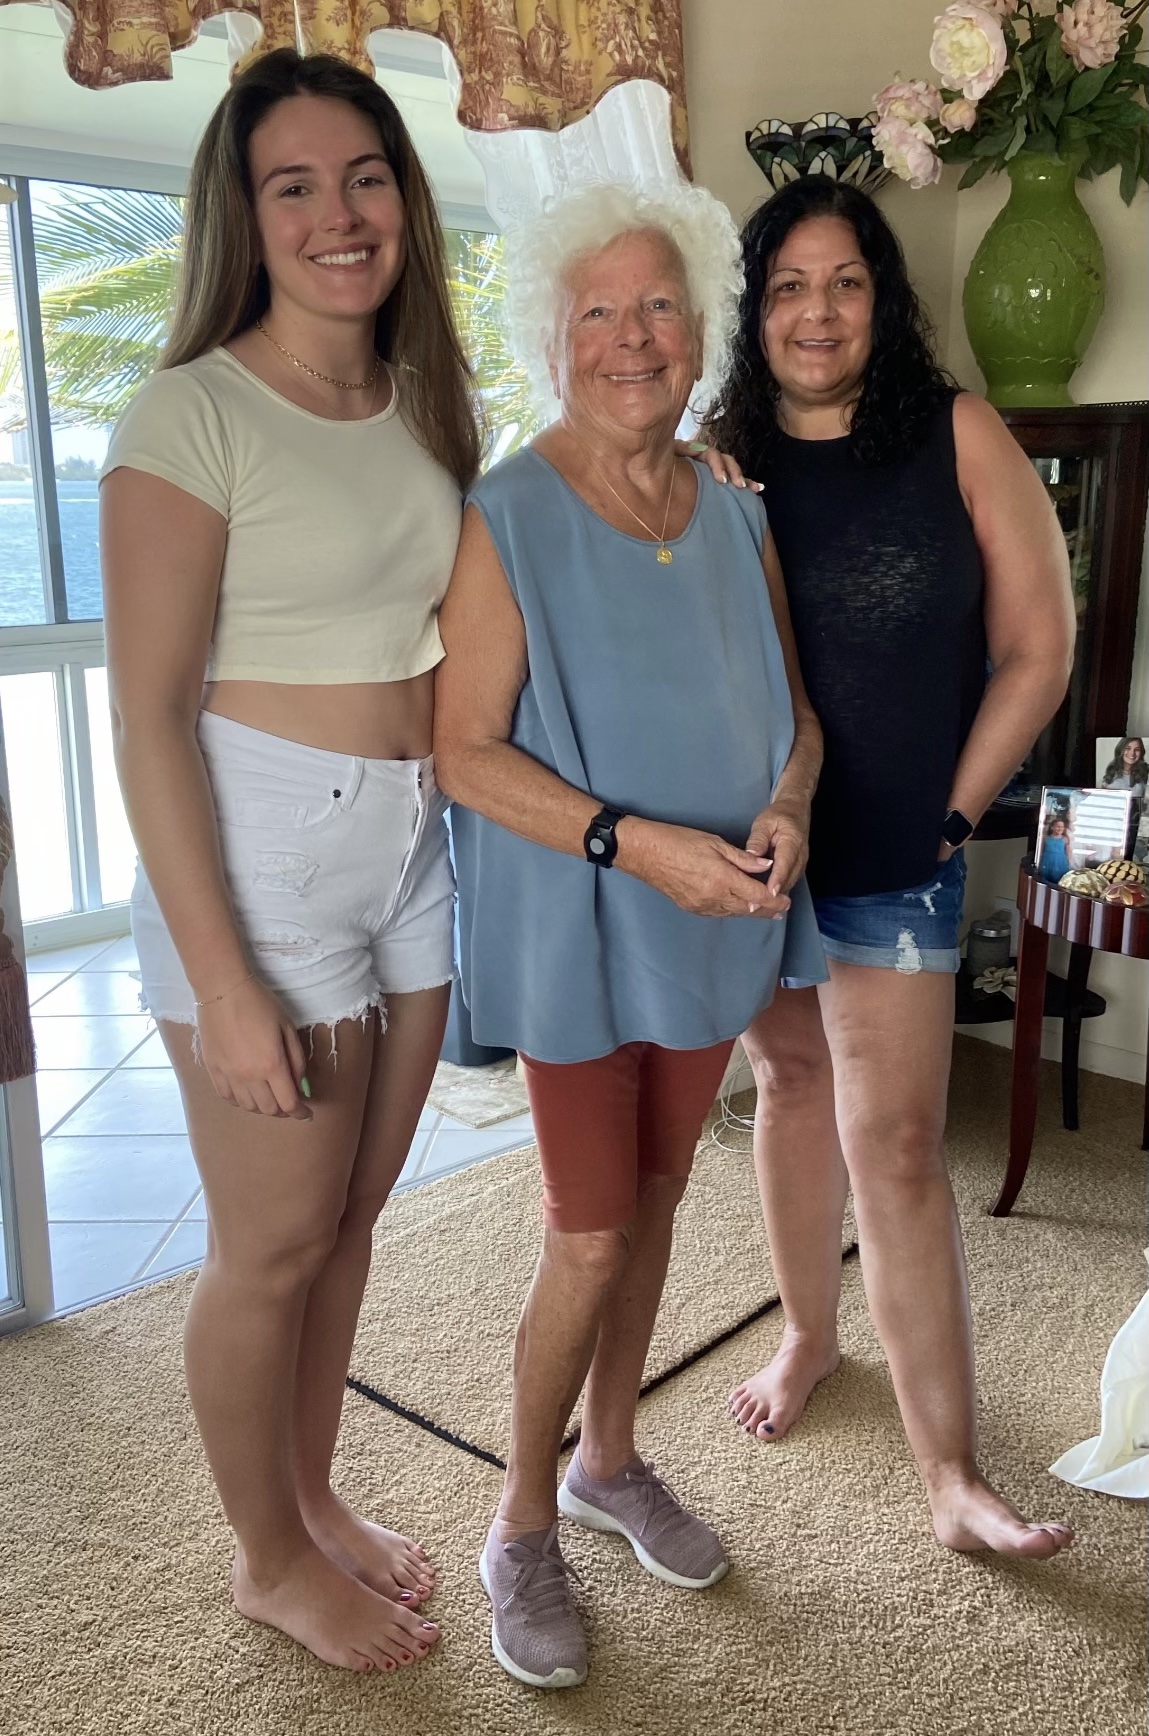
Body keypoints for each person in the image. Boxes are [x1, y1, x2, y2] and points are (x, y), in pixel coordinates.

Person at [99, 49, 481, 1673]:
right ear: (243, 218)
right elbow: (145, 717)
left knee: (351, 1221)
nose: (339, 214)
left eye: (365, 176)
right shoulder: (190, 410)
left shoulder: (419, 402)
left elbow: (466, 633)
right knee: (266, 1245)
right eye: (293, 184)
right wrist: (226, 981)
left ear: (402, 195)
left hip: (406, 845)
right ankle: (266, 1556)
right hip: (256, 852)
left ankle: (310, 1497)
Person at [434, 182, 826, 1689]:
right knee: (590, 1230)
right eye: (596, 309)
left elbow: (790, 714)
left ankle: (609, 1458)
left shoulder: (735, 510)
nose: (629, 337)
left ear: (697, 334)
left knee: (659, 1200)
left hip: (717, 917)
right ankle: (521, 1521)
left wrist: (785, 805)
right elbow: (462, 751)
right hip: (582, 928)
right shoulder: (506, 514)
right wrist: (630, 840)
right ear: (551, 334)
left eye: (657, 306)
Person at [705, 176, 1077, 1557]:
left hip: (899, 850)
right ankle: (807, 1337)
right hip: (760, 845)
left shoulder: (958, 434)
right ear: (755, 309)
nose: (817, 310)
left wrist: (949, 814)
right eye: (789, 285)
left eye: (845, 280)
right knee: (787, 1082)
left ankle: (952, 1478)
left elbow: (1038, 647)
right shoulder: (714, 455)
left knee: (901, 1147)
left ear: (883, 297)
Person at [1039, 814, 1073, 883]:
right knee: (1045, 879)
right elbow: (1041, 850)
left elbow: (1068, 852)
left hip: (1060, 862)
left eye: (1062, 827)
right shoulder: (1046, 838)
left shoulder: (1065, 839)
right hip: (1047, 861)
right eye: (1058, 826)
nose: (1060, 829)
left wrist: (1069, 862)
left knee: (1058, 879)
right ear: (1052, 827)